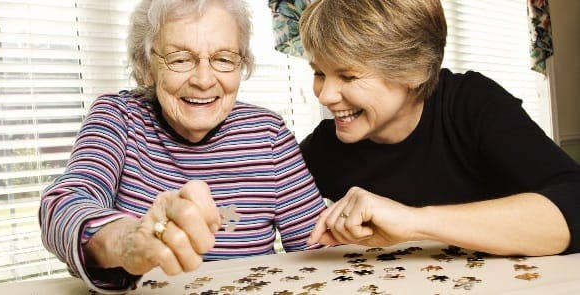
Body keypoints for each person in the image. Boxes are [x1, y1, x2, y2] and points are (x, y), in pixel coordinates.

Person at [39, 0, 326, 293]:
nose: (203, 80)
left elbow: (321, 250)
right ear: (147, 65)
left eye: (224, 59)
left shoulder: (269, 134)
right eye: (180, 59)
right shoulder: (118, 117)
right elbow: (63, 205)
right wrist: (127, 240)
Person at [298, 0, 580, 256]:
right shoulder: (324, 147)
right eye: (319, 73)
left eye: (347, 76)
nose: (325, 96)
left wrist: (414, 222)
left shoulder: (472, 104)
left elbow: (574, 202)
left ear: (412, 70)